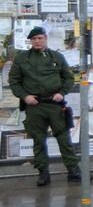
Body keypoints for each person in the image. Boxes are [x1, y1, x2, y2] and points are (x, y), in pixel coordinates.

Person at [9, 26, 80, 186]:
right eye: (34, 39)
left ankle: (73, 171)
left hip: (55, 105)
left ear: (46, 39)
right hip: (35, 106)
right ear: (30, 41)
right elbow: (14, 81)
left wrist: (62, 92)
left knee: (64, 139)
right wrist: (25, 96)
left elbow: (68, 78)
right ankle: (43, 173)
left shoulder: (57, 57)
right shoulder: (22, 59)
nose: (37, 41)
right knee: (38, 140)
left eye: (40, 38)